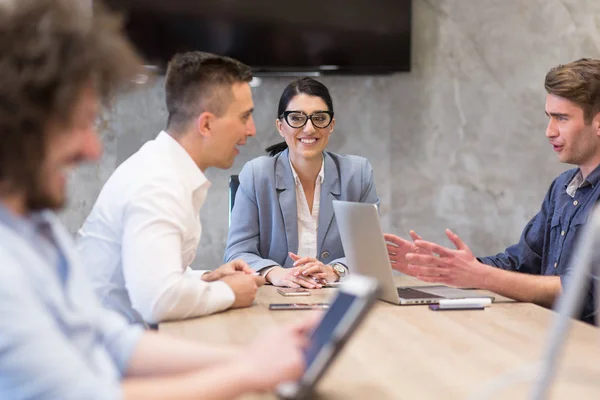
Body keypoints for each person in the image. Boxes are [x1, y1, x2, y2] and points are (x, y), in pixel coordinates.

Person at [0, 1, 315, 399]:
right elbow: (150, 310)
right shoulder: (156, 183)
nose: (94, 148)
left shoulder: (37, 230)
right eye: (77, 125)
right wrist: (246, 369)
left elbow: (109, 339)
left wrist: (245, 356)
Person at [385, 58, 600, 323]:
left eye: (562, 118)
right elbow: (520, 264)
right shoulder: (562, 188)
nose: (549, 131)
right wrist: (446, 270)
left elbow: (588, 292)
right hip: (549, 338)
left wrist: (479, 276)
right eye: (549, 117)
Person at [76, 50, 265, 325]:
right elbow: (157, 300)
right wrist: (229, 292)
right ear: (207, 124)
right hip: (101, 353)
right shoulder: (158, 183)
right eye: (244, 117)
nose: (252, 130)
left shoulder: (163, 167)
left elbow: (148, 276)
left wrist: (205, 278)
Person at [224, 78, 380, 288]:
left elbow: (370, 251)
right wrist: (274, 272)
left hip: (336, 297)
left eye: (319, 118)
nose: (309, 128)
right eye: (296, 118)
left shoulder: (357, 174)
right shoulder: (257, 174)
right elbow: (237, 252)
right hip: (274, 298)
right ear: (280, 126)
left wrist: (335, 270)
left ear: (331, 125)